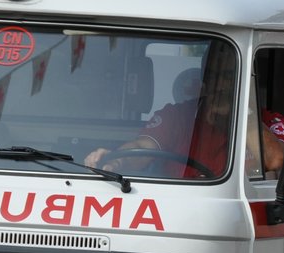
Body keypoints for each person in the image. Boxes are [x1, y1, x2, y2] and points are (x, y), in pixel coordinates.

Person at [85, 50, 238, 178]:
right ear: (204, 80)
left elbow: (262, 165)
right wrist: (117, 160)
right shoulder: (178, 115)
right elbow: (143, 146)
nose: (219, 84)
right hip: (181, 198)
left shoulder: (254, 121)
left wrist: (244, 121)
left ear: (240, 77)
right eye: (212, 76)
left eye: (228, 76)